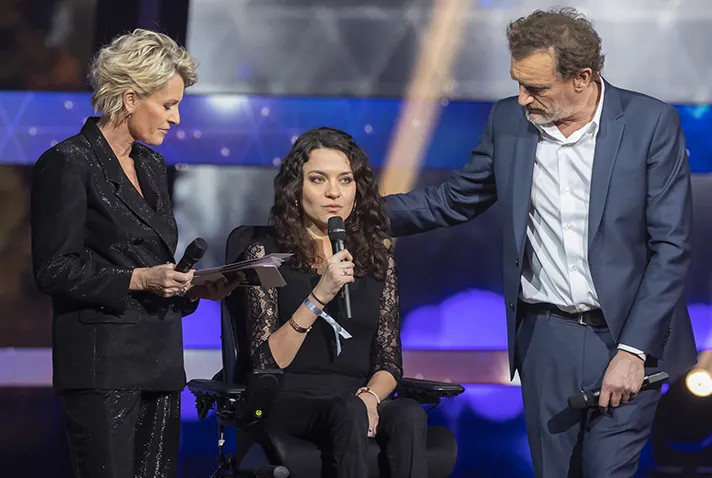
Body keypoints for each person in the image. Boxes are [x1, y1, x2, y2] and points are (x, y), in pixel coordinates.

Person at [384, 8, 697, 478]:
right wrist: (360, 213)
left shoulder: (651, 123)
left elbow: (671, 247)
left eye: (536, 88)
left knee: (605, 470)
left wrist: (634, 352)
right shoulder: (509, 121)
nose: (522, 98)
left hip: (628, 335)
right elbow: (453, 200)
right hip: (545, 337)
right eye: (517, 83)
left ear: (582, 78)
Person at [31, 29, 236, 478]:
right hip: (102, 369)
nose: (176, 118)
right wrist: (140, 279)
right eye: (167, 105)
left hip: (158, 364)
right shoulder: (69, 163)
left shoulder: (152, 165)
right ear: (128, 99)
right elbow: (53, 270)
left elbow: (148, 263)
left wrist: (192, 286)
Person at [243, 127, 428, 478]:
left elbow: (389, 361)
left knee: (408, 413)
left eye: (345, 180)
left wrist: (372, 399)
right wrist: (319, 295)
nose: (333, 192)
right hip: (290, 398)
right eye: (318, 179)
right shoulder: (265, 255)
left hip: (356, 396)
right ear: (296, 188)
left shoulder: (378, 259)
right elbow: (266, 360)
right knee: (348, 409)